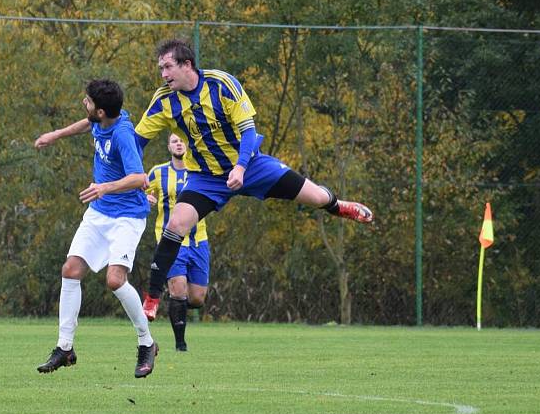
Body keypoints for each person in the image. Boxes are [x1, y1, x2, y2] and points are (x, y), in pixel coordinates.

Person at [135, 39, 374, 320]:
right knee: (175, 224)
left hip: (251, 166)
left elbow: (248, 130)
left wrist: (240, 167)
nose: (163, 74)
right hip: (206, 178)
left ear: (187, 65)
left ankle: (338, 205)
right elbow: (137, 141)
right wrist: (136, 176)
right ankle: (151, 298)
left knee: (317, 198)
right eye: (160, 68)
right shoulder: (164, 100)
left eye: (167, 67)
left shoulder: (221, 84)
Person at [33, 79, 158, 378]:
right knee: (71, 270)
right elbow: (87, 125)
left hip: (127, 216)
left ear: (101, 111)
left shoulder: (123, 134)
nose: (84, 104)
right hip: (99, 214)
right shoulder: (101, 121)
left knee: (115, 280)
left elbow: (140, 178)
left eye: (87, 102)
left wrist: (104, 187)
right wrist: (56, 134)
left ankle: (147, 343)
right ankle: (65, 348)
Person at [146, 132, 210, 352]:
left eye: (182, 140)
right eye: (174, 140)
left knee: (197, 298)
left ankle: (176, 303)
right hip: (170, 240)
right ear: (169, 146)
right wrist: (145, 197)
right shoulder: (158, 172)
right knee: (178, 289)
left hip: (198, 240)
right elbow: (139, 190)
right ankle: (180, 345)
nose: (179, 144)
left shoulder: (201, 171)